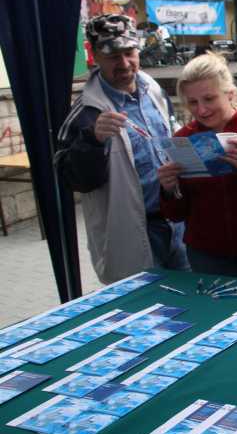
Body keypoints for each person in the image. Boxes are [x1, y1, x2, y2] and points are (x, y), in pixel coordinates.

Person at [56, 14, 189, 284]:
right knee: (147, 306)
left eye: (129, 53)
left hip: (178, 224)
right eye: (113, 56)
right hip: (133, 234)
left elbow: (172, 143)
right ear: (95, 56)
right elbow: (73, 180)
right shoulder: (86, 111)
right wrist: (92, 140)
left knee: (192, 299)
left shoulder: (154, 91)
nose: (125, 63)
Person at [156, 53, 237, 282]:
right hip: (206, 254)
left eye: (209, 99)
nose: (202, 110)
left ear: (230, 94)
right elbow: (176, 214)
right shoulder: (183, 139)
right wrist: (169, 189)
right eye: (193, 102)